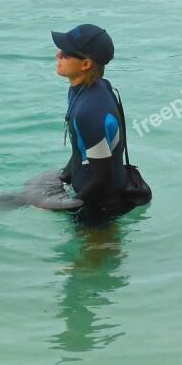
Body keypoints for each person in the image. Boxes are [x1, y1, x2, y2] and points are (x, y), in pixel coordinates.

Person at [52, 24, 133, 221]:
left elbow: (103, 178)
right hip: (91, 196)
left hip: (99, 209)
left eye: (66, 53)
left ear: (85, 64)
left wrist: (68, 207)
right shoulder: (86, 90)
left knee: (97, 253)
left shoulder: (89, 110)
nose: (57, 54)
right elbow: (81, 151)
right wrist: (62, 179)